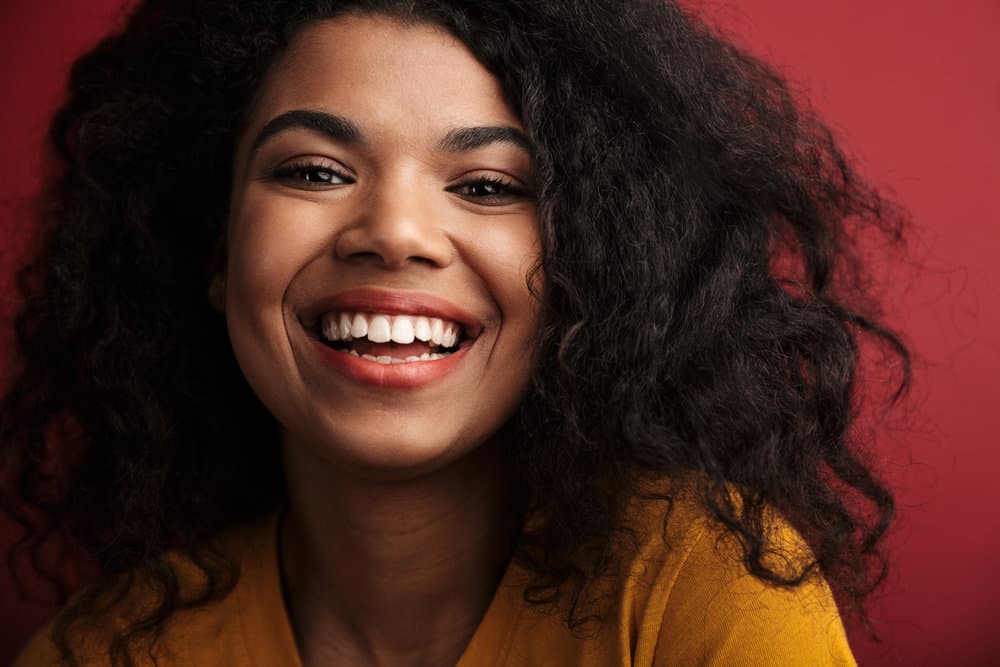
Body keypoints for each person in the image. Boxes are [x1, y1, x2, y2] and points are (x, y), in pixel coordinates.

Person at [2, 0, 909, 665]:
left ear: (588, 265)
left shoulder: (694, 595)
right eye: (314, 171)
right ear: (213, 246)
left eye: (486, 185)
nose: (394, 232)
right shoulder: (99, 653)